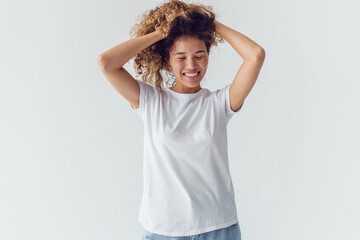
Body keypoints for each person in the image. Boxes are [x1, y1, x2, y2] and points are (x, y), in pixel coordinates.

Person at [97, 0, 265, 239]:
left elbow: (256, 55)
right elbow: (106, 63)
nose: (191, 65)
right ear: (167, 61)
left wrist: (209, 24)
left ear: (208, 55)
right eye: (181, 57)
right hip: (163, 231)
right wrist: (160, 33)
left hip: (218, 228)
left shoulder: (218, 104)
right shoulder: (151, 102)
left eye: (199, 55)